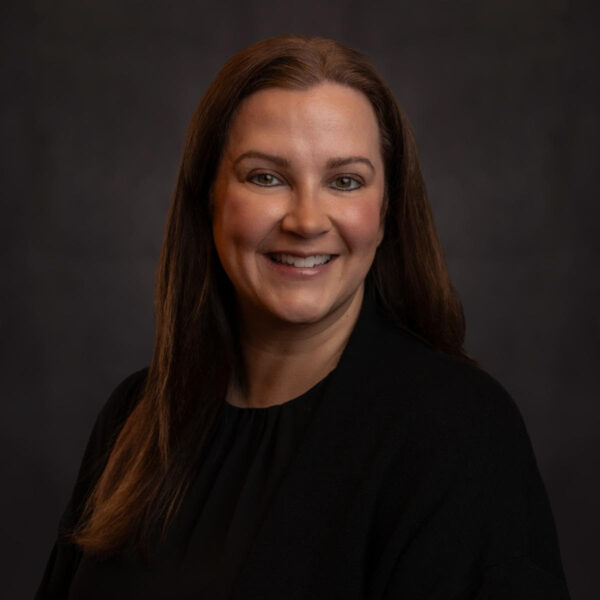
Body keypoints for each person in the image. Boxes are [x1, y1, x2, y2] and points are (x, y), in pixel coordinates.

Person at [36, 34, 571, 599]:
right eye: (266, 176)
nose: (307, 220)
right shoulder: (136, 419)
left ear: (386, 212)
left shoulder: (458, 431)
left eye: (345, 181)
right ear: (208, 198)